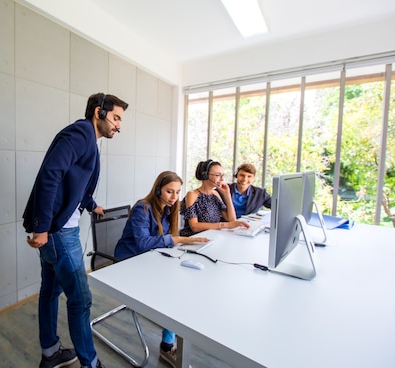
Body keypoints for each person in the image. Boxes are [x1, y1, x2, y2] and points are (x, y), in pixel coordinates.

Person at [23, 92, 128, 368]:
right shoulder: (82, 132)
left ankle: (51, 354)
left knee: (49, 291)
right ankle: (90, 363)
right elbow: (50, 174)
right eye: (116, 117)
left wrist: (92, 205)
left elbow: (75, 180)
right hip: (59, 234)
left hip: (56, 232)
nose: (119, 125)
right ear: (99, 112)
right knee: (81, 300)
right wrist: (42, 228)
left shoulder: (89, 141)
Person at [114, 171, 208, 367]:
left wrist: (180, 243)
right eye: (169, 191)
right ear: (158, 190)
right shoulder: (143, 208)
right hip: (128, 263)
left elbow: (162, 241)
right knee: (174, 291)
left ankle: (172, 335)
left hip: (148, 261)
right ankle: (167, 347)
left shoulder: (169, 209)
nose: (174, 197)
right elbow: (142, 243)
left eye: (177, 192)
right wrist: (178, 239)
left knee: (183, 281)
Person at [180, 159, 249, 237]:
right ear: (205, 175)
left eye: (222, 175)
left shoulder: (215, 194)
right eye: (217, 175)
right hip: (194, 238)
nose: (222, 179)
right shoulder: (192, 195)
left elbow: (232, 220)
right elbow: (194, 227)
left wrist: (227, 195)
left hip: (211, 237)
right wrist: (224, 225)